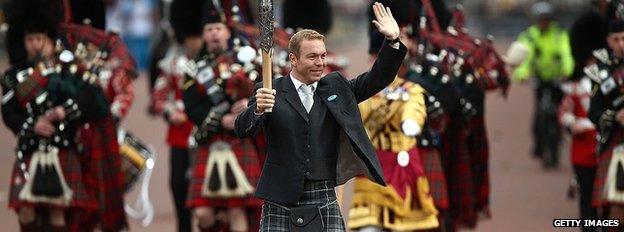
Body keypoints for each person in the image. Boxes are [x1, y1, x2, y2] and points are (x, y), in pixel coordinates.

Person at [235, 2, 406, 231]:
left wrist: (393, 41)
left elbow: (378, 78)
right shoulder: (269, 89)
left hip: (323, 196)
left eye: (323, 55)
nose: (320, 63)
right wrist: (257, 110)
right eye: (312, 57)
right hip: (279, 198)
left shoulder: (337, 87)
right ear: (294, 59)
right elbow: (242, 130)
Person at [1, 0, 111, 231]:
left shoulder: (68, 70)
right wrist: (32, 124)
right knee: (25, 209)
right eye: (30, 40)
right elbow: (10, 112)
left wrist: (64, 111)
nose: (36, 45)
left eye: (40, 39)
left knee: (58, 212)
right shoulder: (14, 76)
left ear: (51, 39)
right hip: (30, 147)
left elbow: (92, 100)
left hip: (62, 146)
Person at [182, 1, 263, 231]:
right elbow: (191, 106)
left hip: (238, 139)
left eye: (218, 28)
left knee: (236, 209)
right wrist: (221, 119)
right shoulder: (194, 68)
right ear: (204, 35)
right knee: (202, 214)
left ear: (227, 31)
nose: (214, 34)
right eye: (209, 30)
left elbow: (265, 91)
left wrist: (247, 104)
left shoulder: (245, 61)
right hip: (210, 141)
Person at [150, 0, 204, 231]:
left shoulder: (214, 63)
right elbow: (159, 95)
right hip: (180, 134)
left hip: (205, 133)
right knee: (177, 185)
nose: (195, 43)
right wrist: (168, 111)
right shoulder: (172, 62)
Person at [513, 1, 574, 168]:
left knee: (558, 112)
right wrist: (522, 73)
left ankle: (557, 142)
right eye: (541, 19)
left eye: (546, 19)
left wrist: (567, 71)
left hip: (557, 79)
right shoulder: (530, 36)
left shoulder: (559, 35)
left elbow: (566, 54)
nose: (543, 23)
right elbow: (525, 57)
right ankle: (538, 144)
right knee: (539, 111)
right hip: (539, 79)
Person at [587, 19, 624, 231]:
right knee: (612, 212)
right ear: (608, 41)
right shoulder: (600, 71)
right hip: (616, 141)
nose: (621, 44)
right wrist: (615, 116)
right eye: (616, 39)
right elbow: (594, 112)